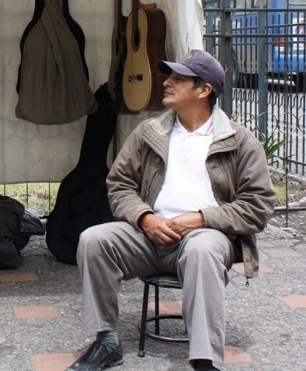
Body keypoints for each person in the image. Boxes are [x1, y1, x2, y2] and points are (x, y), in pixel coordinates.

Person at [66, 49, 275, 371]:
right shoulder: (150, 133)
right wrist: (145, 218)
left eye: (179, 78)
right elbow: (119, 185)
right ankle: (106, 339)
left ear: (204, 90)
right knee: (94, 239)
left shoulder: (239, 141)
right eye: (169, 75)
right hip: (149, 235)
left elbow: (257, 207)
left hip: (206, 236)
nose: (167, 82)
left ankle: (205, 360)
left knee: (203, 249)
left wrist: (202, 218)